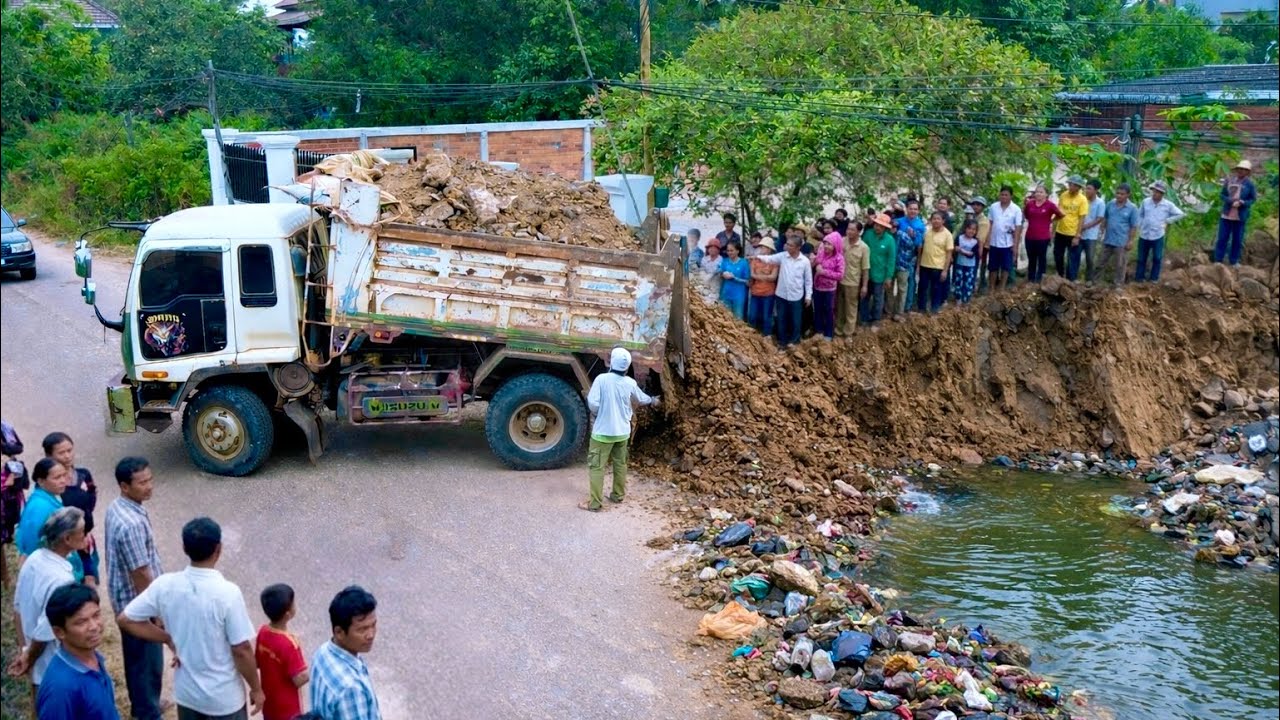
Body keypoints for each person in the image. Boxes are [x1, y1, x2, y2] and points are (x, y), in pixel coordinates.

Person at [119, 517, 264, 720]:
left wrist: (166, 638)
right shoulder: (228, 593)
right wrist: (256, 688)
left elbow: (125, 619)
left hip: (188, 696)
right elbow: (241, 650)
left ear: (184, 548)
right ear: (218, 549)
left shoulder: (165, 585)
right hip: (224, 700)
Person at [105, 456, 165, 720]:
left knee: (138, 662)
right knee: (146, 663)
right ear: (124, 486)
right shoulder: (131, 524)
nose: (149, 486)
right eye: (142, 483)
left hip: (126, 599)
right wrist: (156, 613)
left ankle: (145, 704)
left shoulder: (118, 507)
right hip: (138, 606)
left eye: (150, 479)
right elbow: (140, 573)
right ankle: (146, 712)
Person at [8, 507, 85, 694]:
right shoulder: (62, 580)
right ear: (67, 539)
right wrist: (29, 657)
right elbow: (45, 630)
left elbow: (17, 608)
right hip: (51, 662)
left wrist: (23, 649)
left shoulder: (34, 558)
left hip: (33, 653)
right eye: (82, 531)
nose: (85, 535)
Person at [580, 348, 658, 512]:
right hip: (622, 432)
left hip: (602, 434)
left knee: (597, 466)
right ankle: (617, 495)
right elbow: (642, 399)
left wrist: (600, 412)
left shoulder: (602, 379)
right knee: (620, 463)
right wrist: (653, 400)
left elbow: (593, 403)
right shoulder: (630, 383)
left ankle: (595, 503)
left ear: (611, 362)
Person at [34, 583, 120, 720]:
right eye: (81, 622)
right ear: (59, 632)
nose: (93, 626)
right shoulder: (59, 689)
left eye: (96, 615)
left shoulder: (93, 658)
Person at [311, 586, 380, 720]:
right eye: (362, 629)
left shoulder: (323, 652)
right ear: (339, 632)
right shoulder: (350, 689)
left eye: (373, 625)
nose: (371, 635)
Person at [43, 432, 99, 588]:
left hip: (85, 537)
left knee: (91, 579)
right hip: (66, 543)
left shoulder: (83, 475)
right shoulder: (51, 486)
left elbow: (92, 499)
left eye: (70, 450)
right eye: (61, 452)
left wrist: (85, 531)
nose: (67, 456)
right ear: (49, 455)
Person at [256, 584, 309, 720]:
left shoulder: (263, 632)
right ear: (288, 614)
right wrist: (316, 670)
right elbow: (298, 679)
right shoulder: (290, 644)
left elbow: (257, 662)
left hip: (270, 705)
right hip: (288, 709)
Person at [756, 236, 813, 346]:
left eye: (790, 245)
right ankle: (782, 342)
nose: (787, 247)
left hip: (796, 295)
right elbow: (770, 258)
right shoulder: (783, 256)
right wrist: (757, 256)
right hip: (781, 294)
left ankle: (794, 341)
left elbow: (808, 280)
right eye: (787, 244)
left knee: (796, 320)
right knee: (781, 319)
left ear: (798, 248)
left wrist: (808, 296)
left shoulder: (805, 261)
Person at [1135, 180, 1186, 283]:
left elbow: (1181, 214)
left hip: (1158, 235)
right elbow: (1140, 214)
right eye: (1154, 191)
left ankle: (1154, 278)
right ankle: (1139, 278)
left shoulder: (1168, 205)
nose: (1155, 193)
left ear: (1162, 194)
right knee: (1141, 258)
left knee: (1157, 258)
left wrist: (1167, 221)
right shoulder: (1145, 202)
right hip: (1144, 234)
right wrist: (1140, 224)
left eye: (1158, 192)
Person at [1094, 183, 1139, 287]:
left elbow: (1133, 226)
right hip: (1108, 239)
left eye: (1122, 194)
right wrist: (1101, 230)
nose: (1119, 195)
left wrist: (1130, 241)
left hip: (1121, 241)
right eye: (1117, 193)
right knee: (1100, 262)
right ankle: (1095, 282)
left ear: (1128, 195)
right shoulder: (1110, 204)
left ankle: (1118, 285)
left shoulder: (1132, 208)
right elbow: (1105, 218)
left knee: (1120, 265)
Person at [1215, 159, 1257, 265]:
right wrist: (1230, 201)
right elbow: (1222, 195)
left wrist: (1242, 202)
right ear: (1237, 169)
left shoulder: (1250, 184)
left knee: (1237, 239)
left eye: (1244, 169)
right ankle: (1218, 259)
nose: (1241, 171)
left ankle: (1234, 261)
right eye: (1240, 169)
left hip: (1240, 216)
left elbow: (1253, 199)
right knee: (1222, 237)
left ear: (1248, 172)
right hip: (1226, 215)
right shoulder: (1229, 181)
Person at [986, 186, 1024, 293]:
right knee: (993, 266)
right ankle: (991, 287)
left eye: (1006, 195)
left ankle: (1002, 287)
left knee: (1006, 267)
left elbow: (1017, 228)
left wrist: (1015, 246)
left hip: (1008, 243)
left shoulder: (1016, 209)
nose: (1003, 197)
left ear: (1011, 196)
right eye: (1002, 194)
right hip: (994, 242)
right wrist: (988, 240)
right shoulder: (993, 207)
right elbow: (990, 223)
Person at [1022, 184, 1063, 283]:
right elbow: (1026, 215)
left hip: (1043, 237)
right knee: (1031, 259)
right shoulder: (1030, 204)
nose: (1038, 194)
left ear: (1046, 194)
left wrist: (1051, 221)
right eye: (1037, 192)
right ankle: (1031, 279)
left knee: (1041, 259)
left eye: (1041, 192)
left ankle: (1040, 279)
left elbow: (1061, 215)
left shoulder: (1050, 205)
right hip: (1030, 236)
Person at [892, 200, 925, 320]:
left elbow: (919, 244)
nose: (913, 211)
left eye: (915, 209)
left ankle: (902, 310)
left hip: (908, 260)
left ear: (918, 211)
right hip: (893, 257)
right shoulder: (899, 221)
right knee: (890, 286)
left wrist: (914, 236)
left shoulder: (920, 225)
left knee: (905, 286)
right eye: (911, 208)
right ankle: (889, 310)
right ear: (906, 209)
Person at [862, 213, 897, 326]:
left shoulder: (889, 240)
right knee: (864, 297)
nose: (877, 227)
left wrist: (889, 277)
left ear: (885, 228)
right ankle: (864, 318)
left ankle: (876, 319)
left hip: (880, 275)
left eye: (880, 226)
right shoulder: (867, 235)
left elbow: (891, 259)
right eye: (876, 225)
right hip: (866, 272)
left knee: (878, 298)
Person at [916, 211, 954, 314]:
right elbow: (921, 249)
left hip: (938, 267)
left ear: (943, 221)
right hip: (924, 265)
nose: (936, 221)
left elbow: (949, 254)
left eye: (938, 219)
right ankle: (921, 309)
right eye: (934, 218)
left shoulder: (947, 235)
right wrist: (918, 265)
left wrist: (945, 271)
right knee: (922, 288)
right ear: (931, 220)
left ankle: (934, 309)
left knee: (936, 289)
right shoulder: (927, 232)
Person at [836, 221, 870, 336]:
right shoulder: (841, 241)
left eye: (852, 230)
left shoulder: (864, 247)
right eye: (848, 229)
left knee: (851, 308)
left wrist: (864, 286)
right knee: (840, 307)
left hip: (853, 283)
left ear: (859, 232)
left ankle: (848, 332)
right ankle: (838, 330)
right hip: (839, 280)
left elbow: (865, 268)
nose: (849, 232)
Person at [810, 230, 844, 340]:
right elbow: (814, 264)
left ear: (835, 245)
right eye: (825, 243)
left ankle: (828, 333)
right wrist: (813, 260)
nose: (826, 246)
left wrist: (823, 272)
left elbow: (840, 275)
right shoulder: (821, 254)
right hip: (817, 287)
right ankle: (819, 331)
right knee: (818, 309)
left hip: (829, 289)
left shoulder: (839, 258)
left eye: (829, 244)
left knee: (829, 310)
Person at [1054, 177, 1090, 278]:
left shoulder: (1082, 200)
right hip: (1060, 231)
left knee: (1073, 258)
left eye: (1073, 185)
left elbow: (1082, 218)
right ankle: (1060, 275)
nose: (1070, 186)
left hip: (1072, 233)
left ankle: (1071, 280)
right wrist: (1053, 228)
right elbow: (1059, 212)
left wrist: (1077, 236)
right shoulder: (1063, 195)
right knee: (1058, 255)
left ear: (1079, 187)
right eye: (1070, 184)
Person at [1071, 180, 1105, 281]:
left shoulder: (1100, 203)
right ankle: (1073, 278)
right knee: (1074, 256)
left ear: (1096, 190)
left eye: (1089, 188)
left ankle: (1089, 280)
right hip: (1078, 233)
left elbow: (1099, 219)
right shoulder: (1081, 200)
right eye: (1086, 188)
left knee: (1090, 259)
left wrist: (1085, 226)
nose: (1086, 190)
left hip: (1091, 235)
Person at [746, 236, 778, 336]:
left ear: (769, 249)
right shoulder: (755, 260)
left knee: (766, 317)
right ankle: (751, 337)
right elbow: (752, 274)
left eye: (763, 247)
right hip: (756, 292)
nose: (761, 249)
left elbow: (773, 277)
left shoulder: (774, 261)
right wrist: (765, 276)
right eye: (761, 247)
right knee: (752, 316)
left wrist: (758, 276)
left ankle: (767, 336)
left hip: (768, 293)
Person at [718, 240, 751, 320]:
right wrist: (722, 274)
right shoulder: (725, 261)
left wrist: (734, 278)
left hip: (739, 295)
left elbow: (748, 281)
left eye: (732, 250)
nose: (729, 252)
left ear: (737, 251)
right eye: (728, 250)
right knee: (725, 318)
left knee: (738, 318)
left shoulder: (744, 263)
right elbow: (720, 274)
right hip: (726, 293)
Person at [952, 218, 981, 304]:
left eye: (973, 229)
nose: (971, 231)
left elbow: (972, 255)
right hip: (959, 264)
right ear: (965, 228)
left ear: (976, 231)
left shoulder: (975, 242)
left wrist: (961, 251)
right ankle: (958, 299)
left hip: (970, 266)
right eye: (969, 228)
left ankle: (966, 299)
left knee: (968, 282)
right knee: (958, 281)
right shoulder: (959, 238)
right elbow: (954, 248)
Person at [693, 238, 723, 304]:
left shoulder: (721, 260)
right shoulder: (704, 259)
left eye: (714, 248)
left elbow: (718, 273)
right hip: (705, 286)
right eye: (710, 248)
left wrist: (712, 274)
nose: (712, 250)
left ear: (718, 250)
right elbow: (702, 271)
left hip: (716, 288)